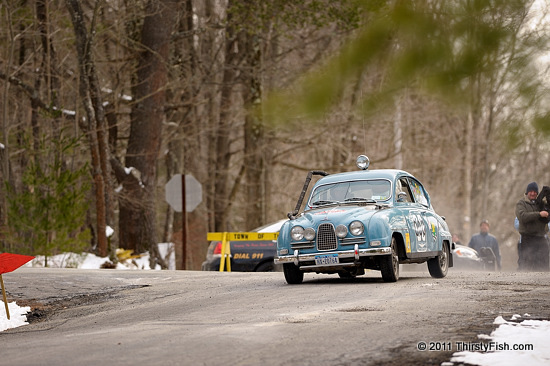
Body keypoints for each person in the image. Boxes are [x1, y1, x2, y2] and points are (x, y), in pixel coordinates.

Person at [515, 182, 550, 271]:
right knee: (526, 263)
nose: (533, 193)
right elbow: (523, 217)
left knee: (544, 263)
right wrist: (539, 214)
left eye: (535, 191)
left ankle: (542, 284)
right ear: (527, 192)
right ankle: (523, 283)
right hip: (527, 238)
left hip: (541, 238)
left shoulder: (541, 203)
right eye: (530, 191)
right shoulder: (521, 203)